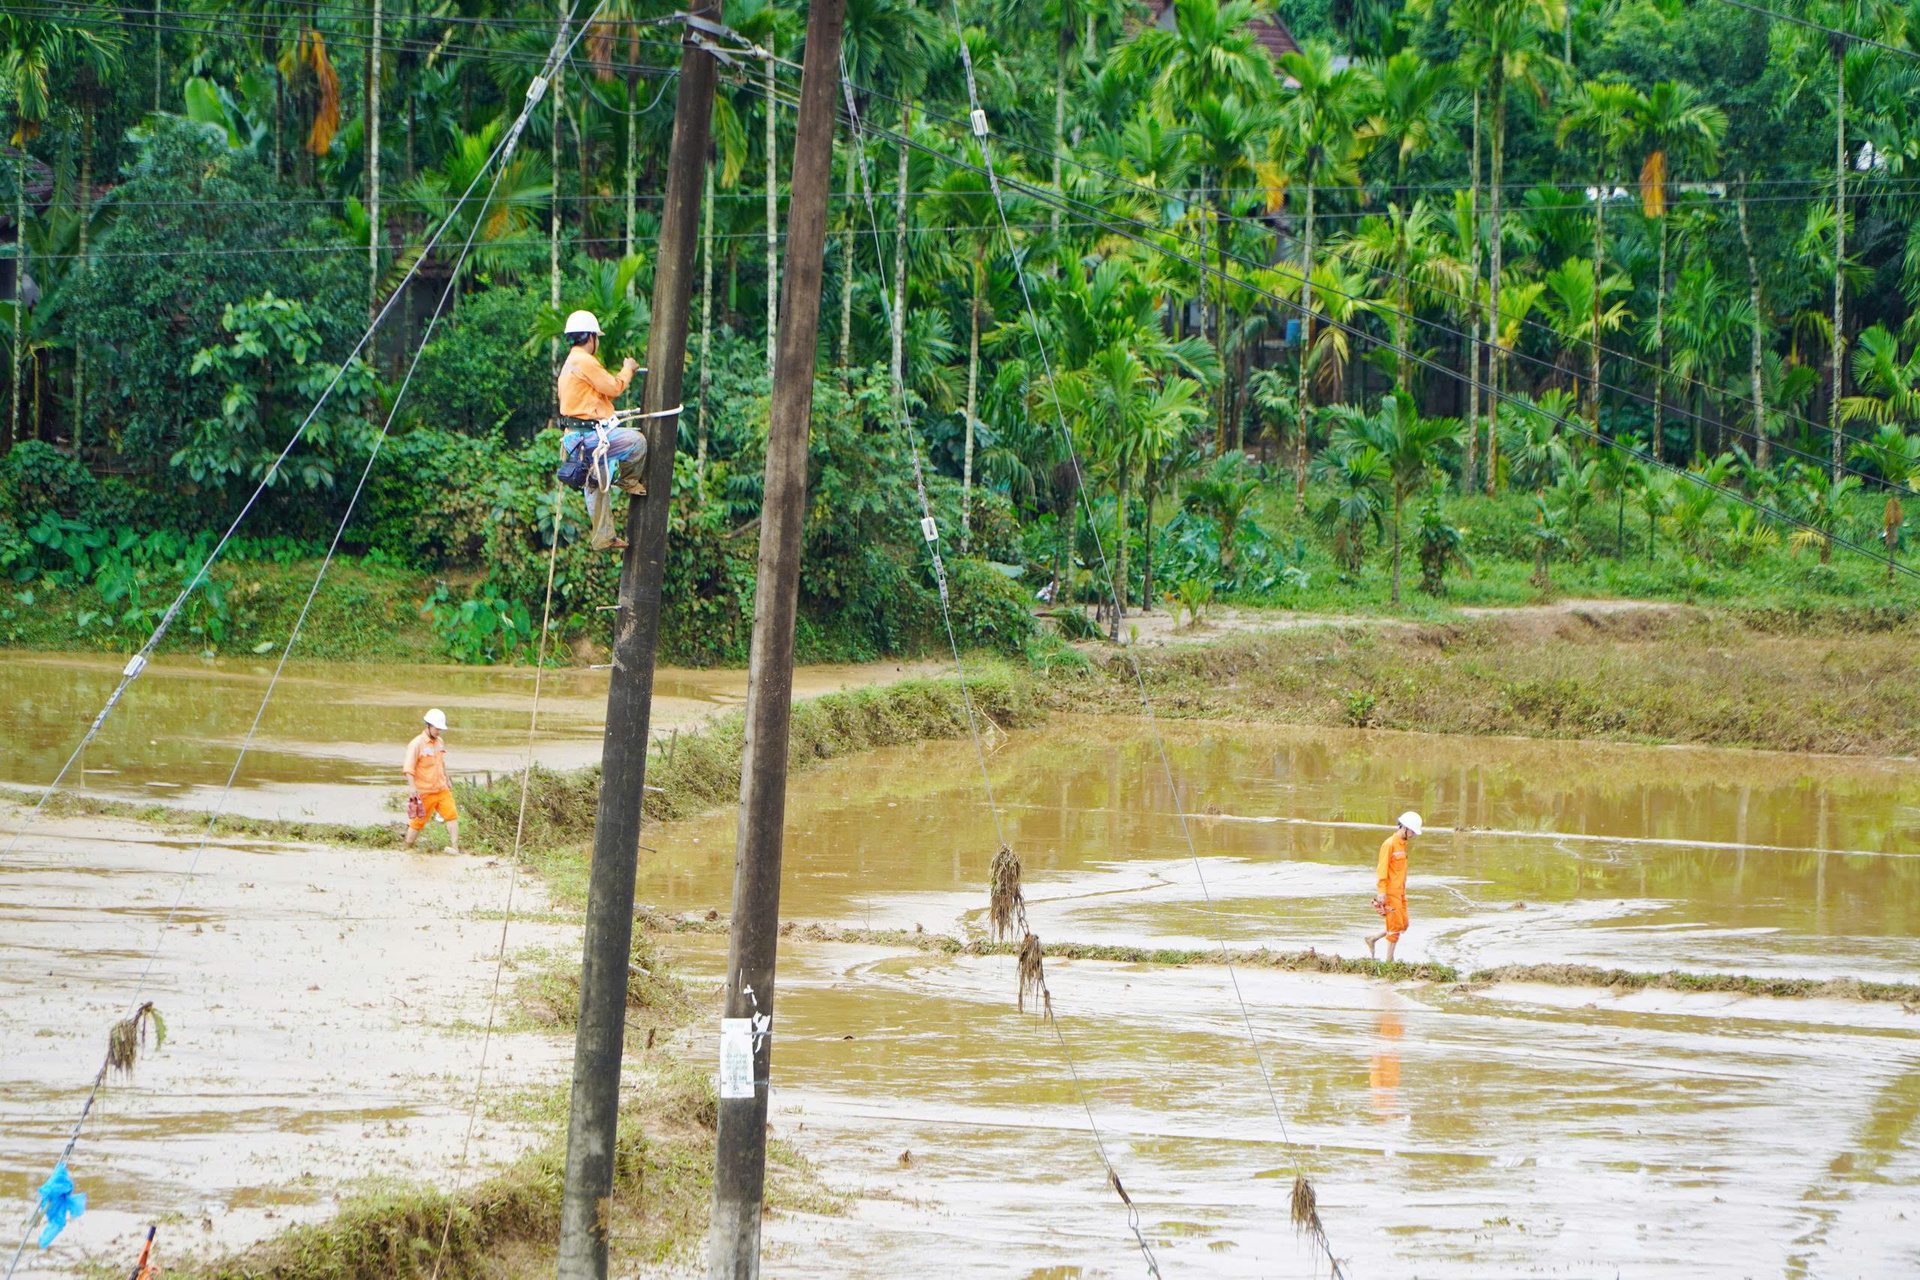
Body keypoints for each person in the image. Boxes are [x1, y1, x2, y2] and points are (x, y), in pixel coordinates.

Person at [556, 309, 646, 552]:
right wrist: (628, 368)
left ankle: (604, 537)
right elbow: (613, 387)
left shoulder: (569, 363)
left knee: (596, 481)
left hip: (575, 439)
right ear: (590, 337)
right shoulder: (584, 361)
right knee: (637, 442)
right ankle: (628, 480)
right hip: (589, 437)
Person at [1366, 810, 1421, 961]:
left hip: (1400, 891)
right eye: (1413, 832)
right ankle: (1389, 961)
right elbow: (1382, 868)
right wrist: (1381, 891)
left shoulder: (1402, 845)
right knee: (1394, 928)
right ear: (1404, 828)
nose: (1414, 835)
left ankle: (1373, 938)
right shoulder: (1389, 844)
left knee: (1403, 923)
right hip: (1390, 892)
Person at [403, 708, 460, 853]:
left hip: (441, 789)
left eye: (440, 729)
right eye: (436, 728)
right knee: (417, 823)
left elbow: (442, 763)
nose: (438, 732)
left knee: (452, 815)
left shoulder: (439, 742)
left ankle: (455, 847)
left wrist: (447, 779)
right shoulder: (416, 744)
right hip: (425, 791)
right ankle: (408, 847)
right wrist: (412, 787)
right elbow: (409, 767)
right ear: (428, 725)